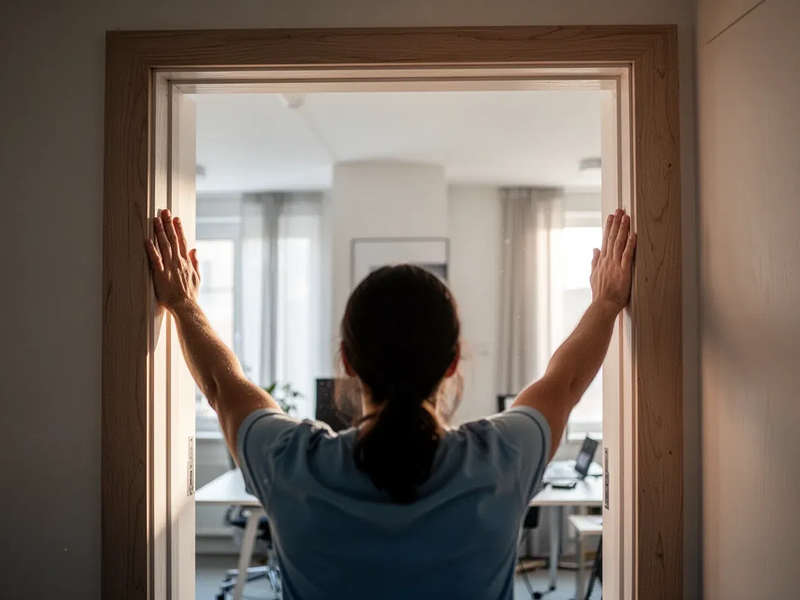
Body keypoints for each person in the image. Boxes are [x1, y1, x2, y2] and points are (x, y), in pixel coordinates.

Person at [146, 208, 636, 600]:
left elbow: (221, 385)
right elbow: (565, 382)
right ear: (452, 363)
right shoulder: (503, 457)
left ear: (347, 362)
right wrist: (606, 303)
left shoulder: (292, 462)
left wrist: (184, 303)